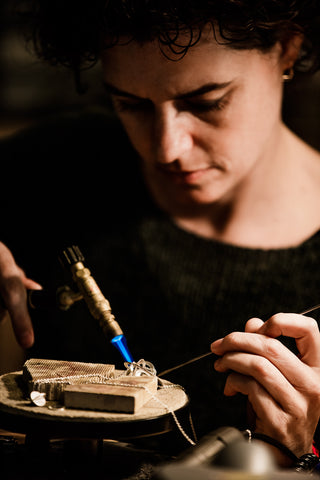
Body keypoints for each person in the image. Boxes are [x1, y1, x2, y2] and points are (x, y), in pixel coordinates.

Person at [1, 0, 320, 470]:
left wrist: (299, 458)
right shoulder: (56, 167)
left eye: (206, 102)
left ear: (288, 50)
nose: (166, 147)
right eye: (131, 104)